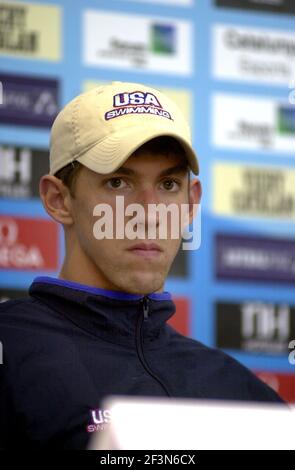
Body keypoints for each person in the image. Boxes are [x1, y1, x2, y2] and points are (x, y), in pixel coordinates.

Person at [0, 82, 284, 450]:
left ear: (190, 203)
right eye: (118, 182)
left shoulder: (237, 390)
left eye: (168, 184)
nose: (148, 213)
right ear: (59, 200)